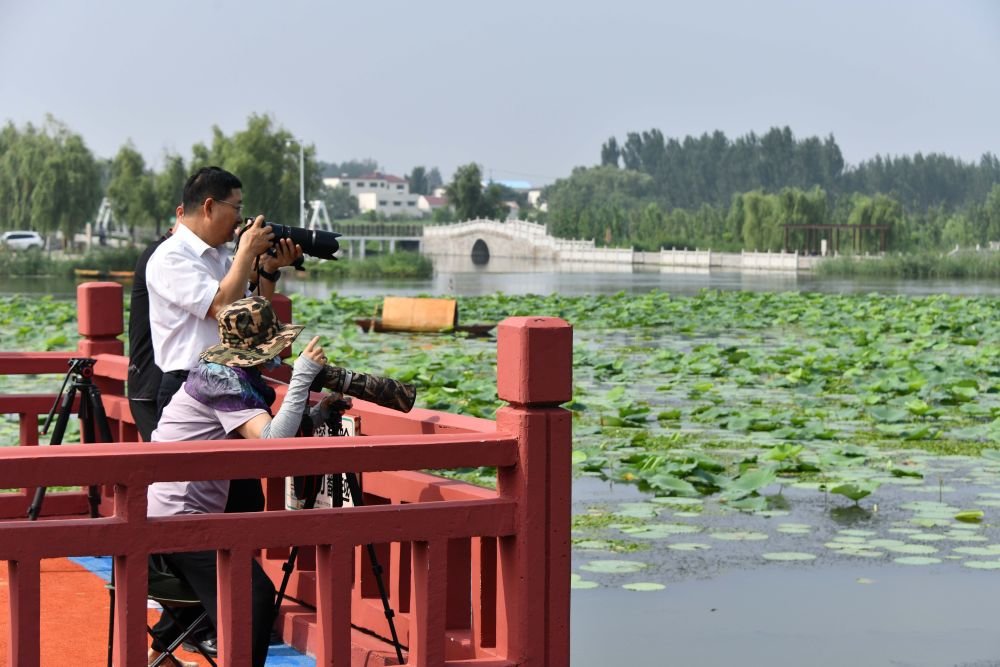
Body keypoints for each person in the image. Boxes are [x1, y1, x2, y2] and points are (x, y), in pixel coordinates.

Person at [146, 296, 329, 667]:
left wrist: (314, 412)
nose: (280, 355)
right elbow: (272, 442)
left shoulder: (220, 372)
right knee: (254, 596)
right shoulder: (222, 380)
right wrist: (302, 377)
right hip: (178, 519)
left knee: (231, 587)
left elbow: (266, 427)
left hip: (180, 514)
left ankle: (160, 658)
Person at [146, 166, 302, 418]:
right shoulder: (171, 256)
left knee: (241, 458)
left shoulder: (217, 255)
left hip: (227, 379)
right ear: (209, 207)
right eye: (237, 207)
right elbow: (221, 308)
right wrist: (246, 251)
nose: (241, 218)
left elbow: (247, 318)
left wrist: (269, 270)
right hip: (189, 386)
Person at [127, 208, 180, 442]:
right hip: (151, 384)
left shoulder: (200, 256)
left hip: (175, 383)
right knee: (173, 472)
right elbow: (219, 306)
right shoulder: (163, 255)